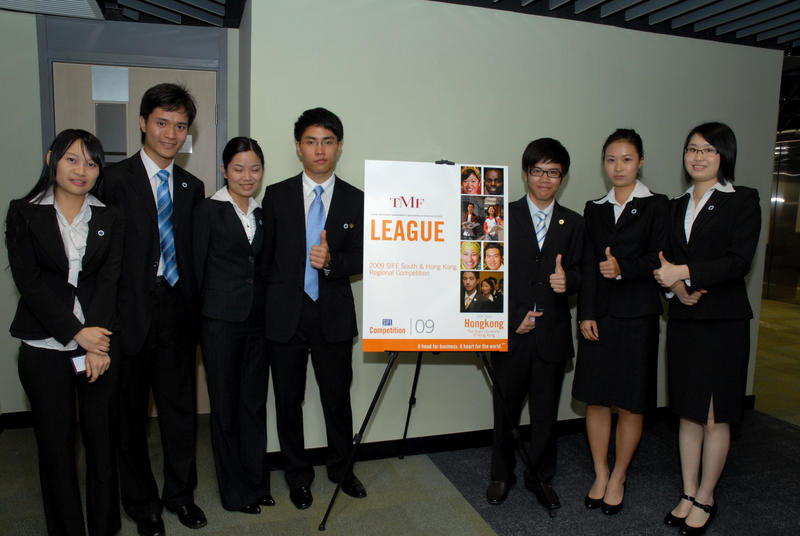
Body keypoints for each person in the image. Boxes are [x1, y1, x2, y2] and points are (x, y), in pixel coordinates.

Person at [6, 129, 123, 535]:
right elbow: (30, 284)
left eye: (91, 163)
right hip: (43, 346)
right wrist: (78, 333)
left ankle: (104, 528)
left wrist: (97, 344)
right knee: (56, 448)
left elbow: (109, 281)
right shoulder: (24, 213)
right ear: (51, 159)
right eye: (72, 159)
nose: (81, 170)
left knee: (102, 444)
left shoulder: (109, 216)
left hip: (97, 350)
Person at [104, 83, 207, 536]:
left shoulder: (192, 187)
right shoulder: (113, 180)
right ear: (144, 122)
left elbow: (195, 257)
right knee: (130, 418)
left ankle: (180, 496)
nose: (170, 134)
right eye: (162, 123)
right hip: (130, 317)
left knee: (180, 413)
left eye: (180, 126)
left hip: (178, 315)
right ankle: (142, 504)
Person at [654, 122, 760, 535]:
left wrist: (686, 273)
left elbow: (739, 261)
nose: (698, 157)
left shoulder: (743, 200)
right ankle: (687, 491)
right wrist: (677, 290)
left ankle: (706, 496)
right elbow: (663, 261)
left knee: (716, 415)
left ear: (724, 156)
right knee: (688, 411)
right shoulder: (675, 205)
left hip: (723, 323)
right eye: (692, 149)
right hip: (685, 319)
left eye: (709, 150)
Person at [261, 107, 366, 511]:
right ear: (298, 147)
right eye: (311, 142)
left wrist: (333, 262)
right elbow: (265, 258)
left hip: (332, 315)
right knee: (288, 401)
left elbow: (365, 256)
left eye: (327, 142)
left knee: (337, 398)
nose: (319, 150)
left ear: (339, 147)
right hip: (285, 315)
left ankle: (341, 468)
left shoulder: (356, 199)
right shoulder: (277, 195)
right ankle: (297, 475)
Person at [573, 129, 669, 515]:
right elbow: (587, 264)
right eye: (611, 159)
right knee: (596, 399)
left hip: (638, 316)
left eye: (627, 159)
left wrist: (622, 268)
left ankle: (619, 476)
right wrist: (585, 313)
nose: (618, 167)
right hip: (599, 316)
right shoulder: (594, 208)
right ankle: (600, 472)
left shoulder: (658, 205)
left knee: (630, 403)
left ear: (640, 162)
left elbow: (660, 257)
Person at [487, 138, 583, 515]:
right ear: (526, 173)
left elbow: (583, 273)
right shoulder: (500, 216)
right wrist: (515, 318)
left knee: (545, 414)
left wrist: (569, 281)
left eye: (553, 172)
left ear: (563, 177)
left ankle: (541, 476)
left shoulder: (574, 223)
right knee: (505, 410)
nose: (545, 179)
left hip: (552, 335)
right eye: (538, 171)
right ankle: (501, 474)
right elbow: (487, 274)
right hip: (511, 332)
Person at [193, 137, 272, 515]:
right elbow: (196, 270)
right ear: (225, 170)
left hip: (257, 324)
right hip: (220, 324)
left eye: (254, 168)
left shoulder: (261, 213)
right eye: (238, 168)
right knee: (225, 408)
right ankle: (235, 492)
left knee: (253, 405)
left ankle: (258, 482)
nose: (247, 176)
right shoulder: (208, 210)